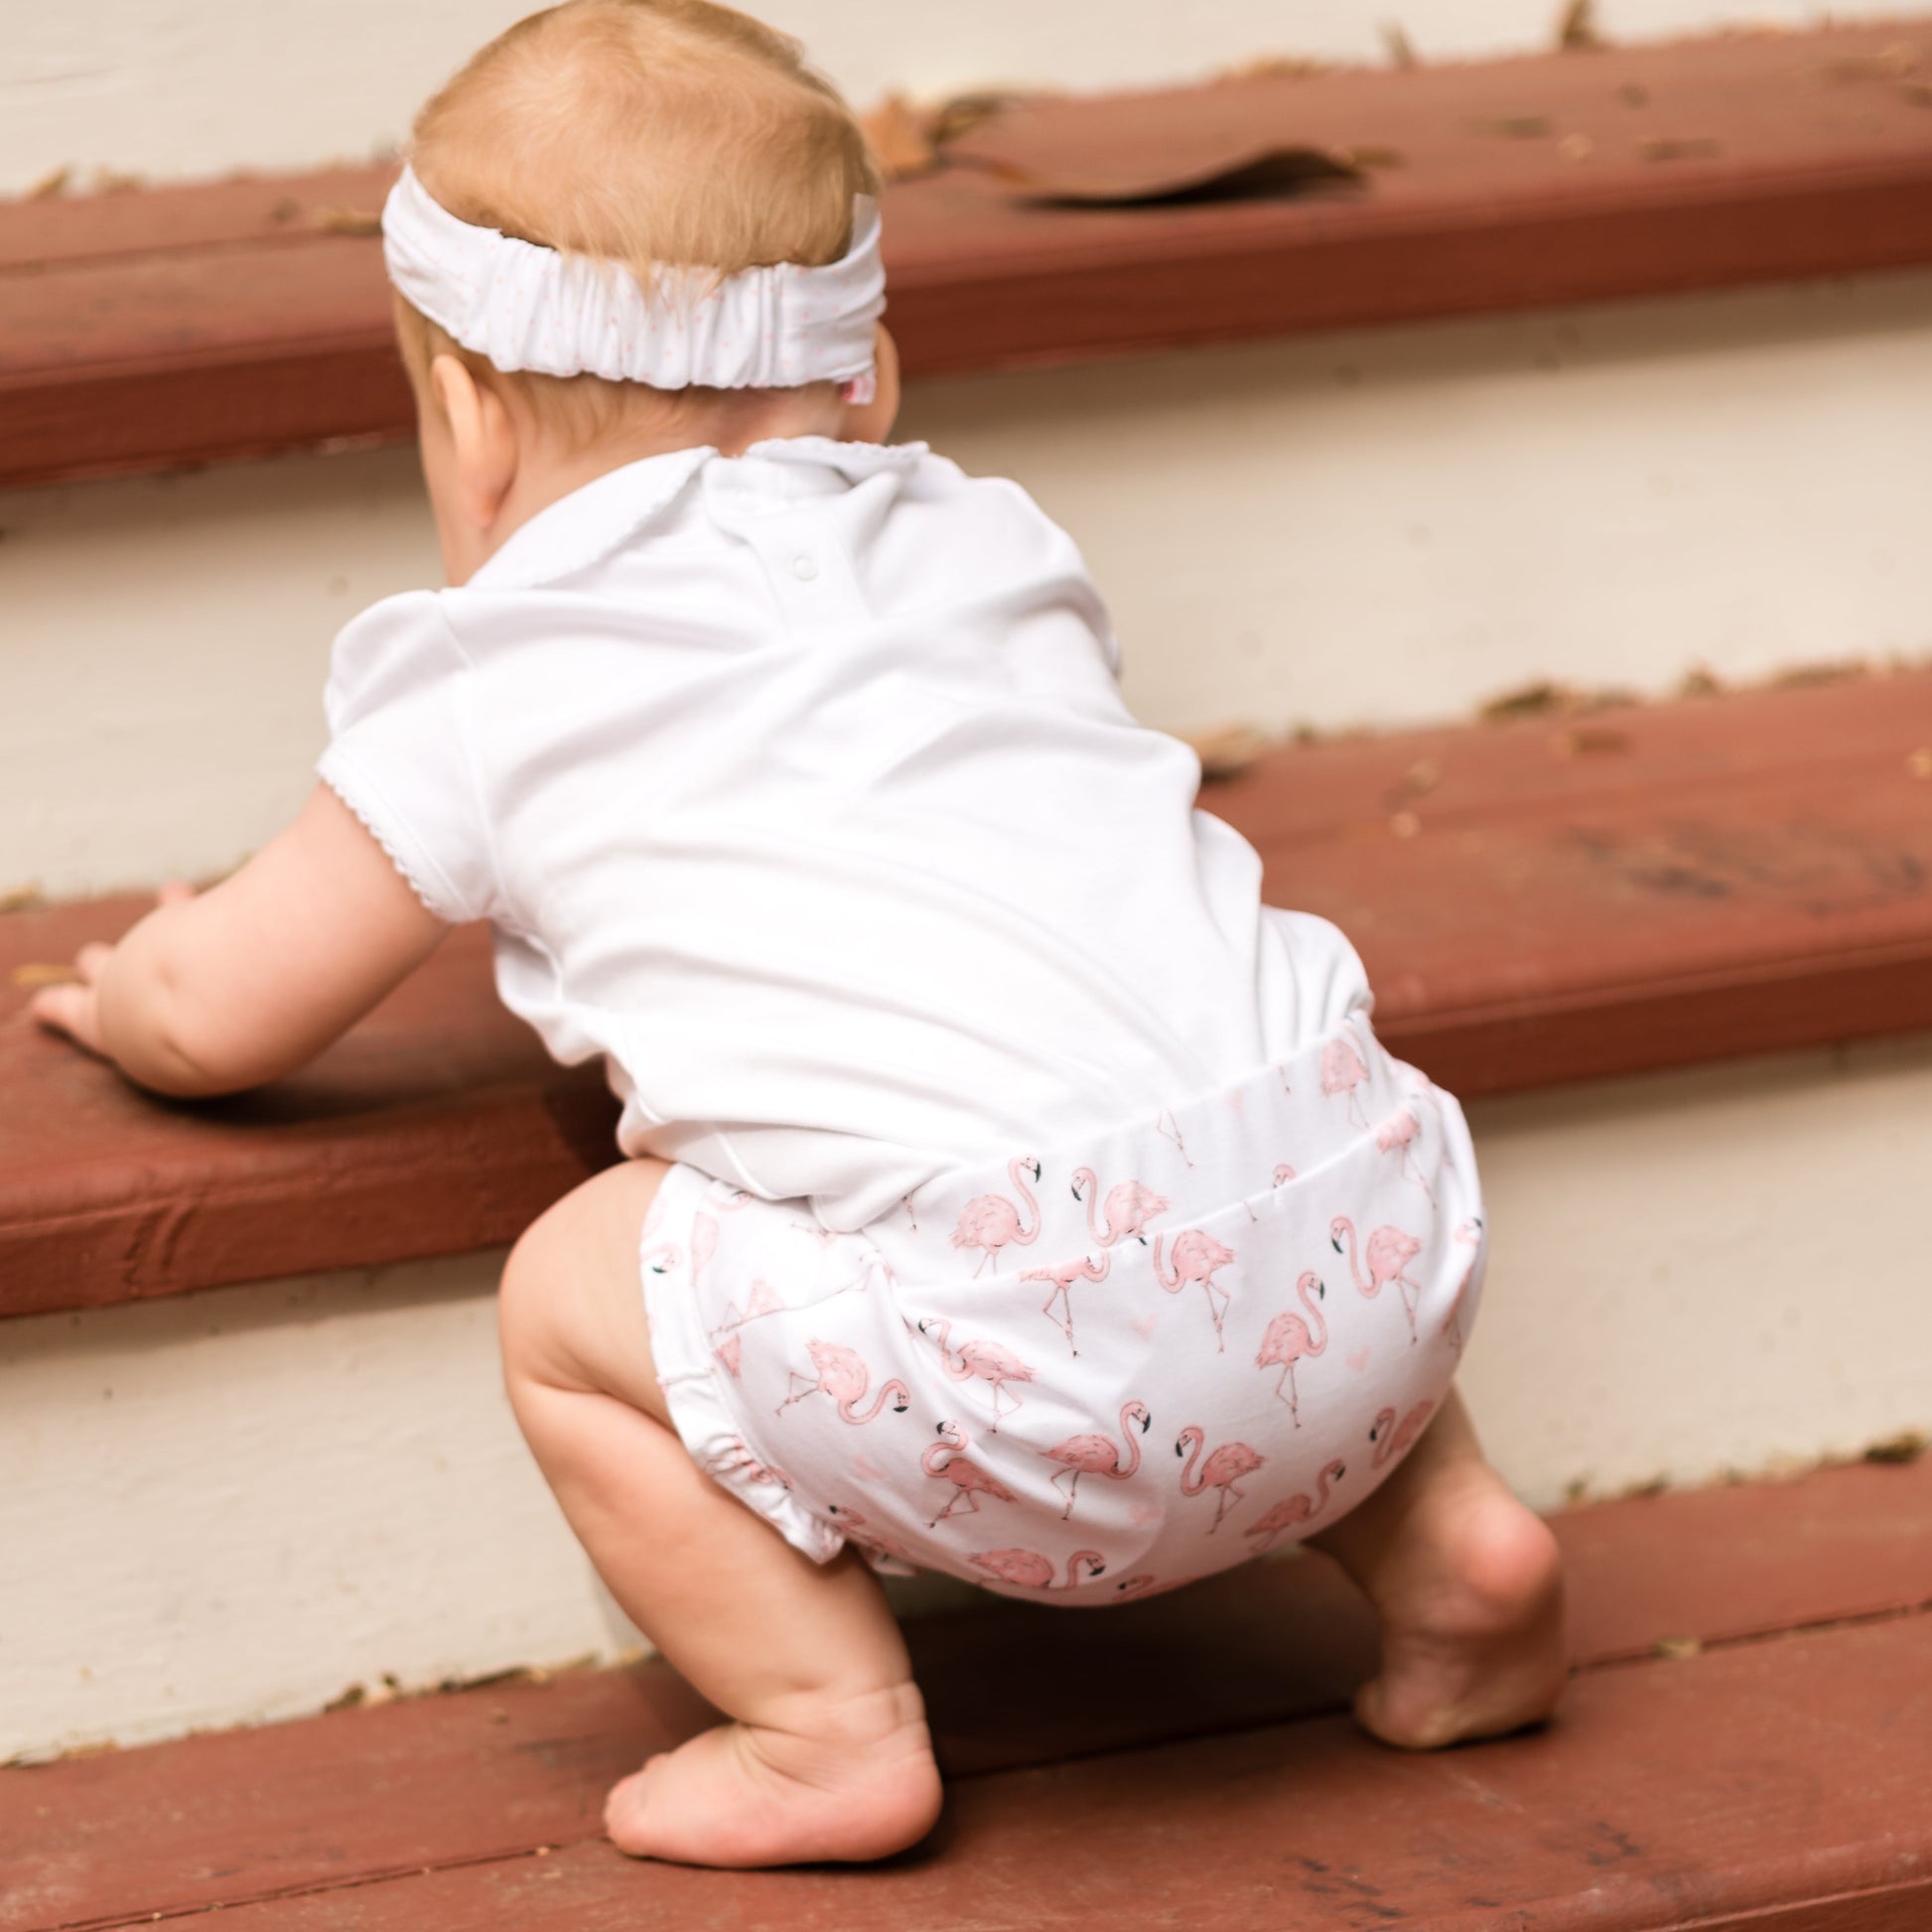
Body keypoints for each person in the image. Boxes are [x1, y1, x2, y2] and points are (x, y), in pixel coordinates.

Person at [32, 0, 1566, 1869]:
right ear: (870, 376)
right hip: (1376, 1244)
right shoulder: (993, 548)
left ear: (466, 419)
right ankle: (1453, 1541)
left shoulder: (493, 681)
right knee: (1213, 1111)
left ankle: (821, 1725)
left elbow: (223, 1015)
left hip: (1027, 1377)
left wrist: (134, 991)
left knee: (565, 1293)